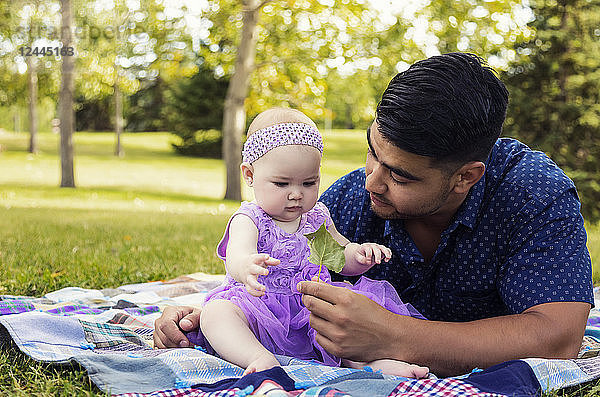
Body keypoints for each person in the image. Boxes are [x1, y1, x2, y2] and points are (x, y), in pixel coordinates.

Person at [154, 53, 594, 377]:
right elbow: (281, 274)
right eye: (372, 152)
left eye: (399, 176)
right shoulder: (345, 199)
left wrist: (395, 336)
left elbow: (558, 337)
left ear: (464, 177)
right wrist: (201, 315)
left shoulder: (533, 196)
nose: (372, 183)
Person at [181, 107, 429, 377]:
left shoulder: (317, 217)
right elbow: (236, 254)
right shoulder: (250, 218)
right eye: (281, 184)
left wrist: (359, 255)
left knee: (345, 319)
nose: (296, 194)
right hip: (258, 305)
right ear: (249, 175)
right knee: (216, 313)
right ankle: (258, 358)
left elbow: (339, 255)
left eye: (309, 183)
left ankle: (365, 364)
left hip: (307, 309)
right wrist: (247, 266)